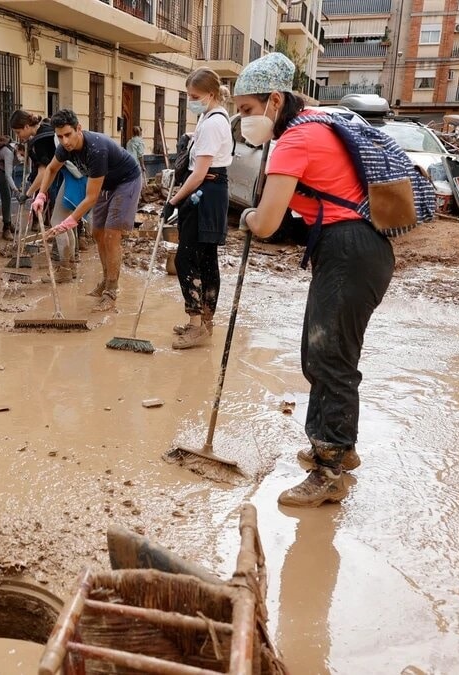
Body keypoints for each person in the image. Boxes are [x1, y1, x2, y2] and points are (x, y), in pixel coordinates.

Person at [234, 52, 394, 508]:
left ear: (275, 100)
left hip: (348, 251)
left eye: (247, 109)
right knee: (321, 351)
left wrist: (246, 215)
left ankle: (329, 471)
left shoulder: (294, 141)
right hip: (358, 249)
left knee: (329, 359)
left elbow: (265, 223)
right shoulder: (318, 122)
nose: (243, 120)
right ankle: (337, 445)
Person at [34, 109, 143, 311]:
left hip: (127, 181)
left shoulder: (96, 149)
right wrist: (41, 195)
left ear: (78, 129)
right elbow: (50, 169)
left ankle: (111, 291)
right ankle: (106, 279)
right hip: (106, 184)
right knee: (97, 233)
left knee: (111, 235)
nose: (65, 141)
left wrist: (69, 222)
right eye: (60, 136)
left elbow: (91, 197)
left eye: (68, 134)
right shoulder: (64, 148)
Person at [166, 68, 233, 350]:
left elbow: (198, 173)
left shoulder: (214, 123)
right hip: (206, 190)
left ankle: (198, 324)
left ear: (211, 94)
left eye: (194, 96)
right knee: (203, 258)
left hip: (205, 193)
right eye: (188, 95)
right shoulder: (209, 118)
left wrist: (173, 201)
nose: (191, 100)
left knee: (188, 259)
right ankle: (204, 323)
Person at [13, 110, 75, 282]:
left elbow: (42, 174)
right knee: (67, 223)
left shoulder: (40, 141)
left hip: (66, 179)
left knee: (58, 223)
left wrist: (28, 194)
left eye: (19, 132)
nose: (19, 137)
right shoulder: (48, 129)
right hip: (74, 177)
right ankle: (71, 266)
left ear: (26, 126)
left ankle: (64, 270)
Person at [0, 135, 20, 240]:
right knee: (6, 196)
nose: (22, 158)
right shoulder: (9, 152)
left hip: (9, 169)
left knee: (9, 196)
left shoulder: (24, 150)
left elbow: (27, 169)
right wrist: (16, 189)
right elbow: (7, 175)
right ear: (17, 150)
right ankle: (6, 228)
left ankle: (9, 222)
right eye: (21, 155)